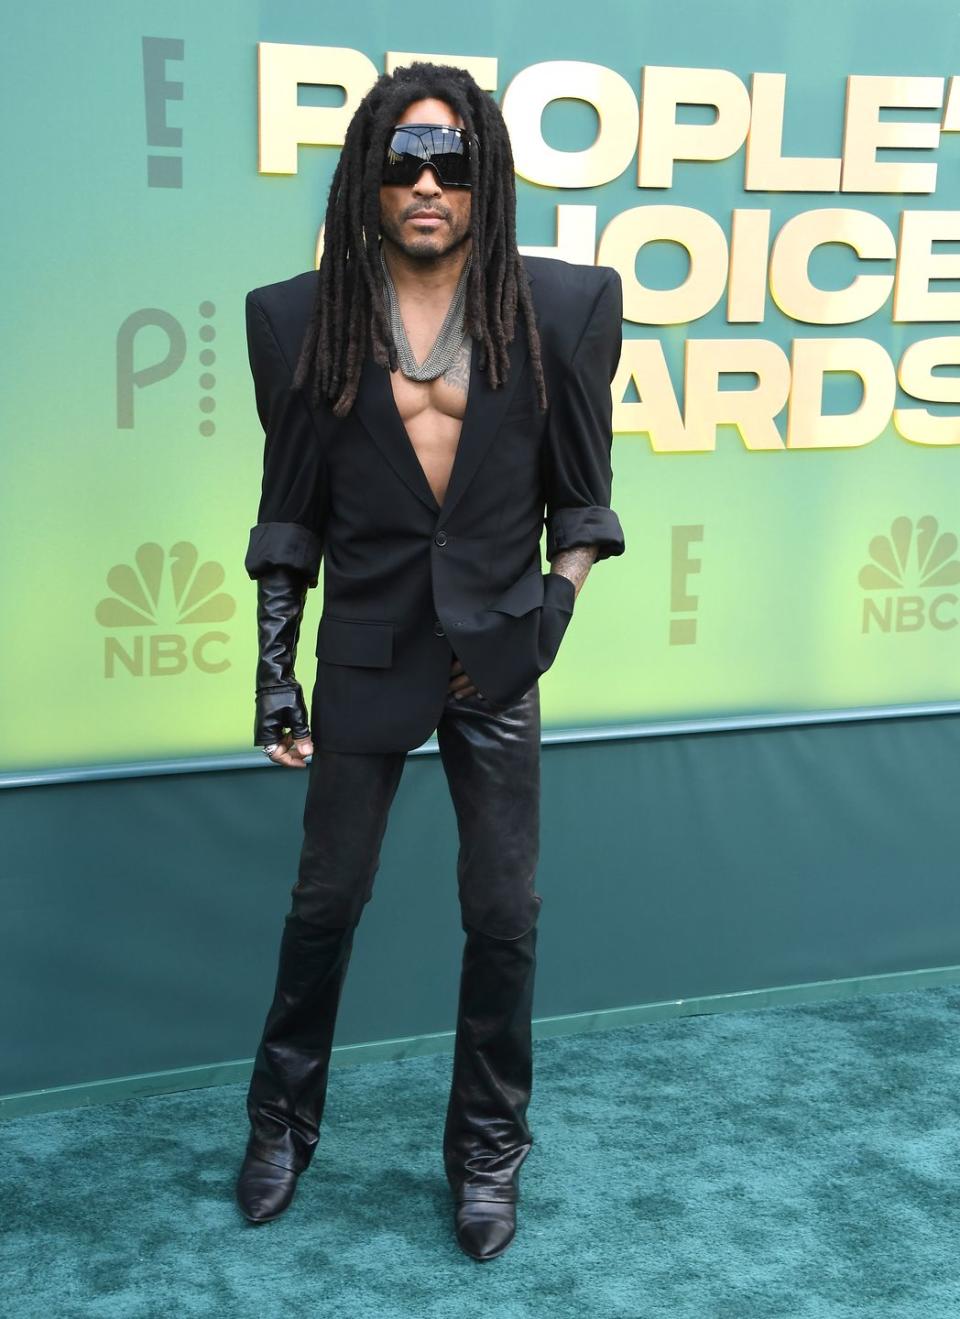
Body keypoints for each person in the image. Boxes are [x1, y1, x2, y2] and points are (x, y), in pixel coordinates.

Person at [234, 60, 626, 1262]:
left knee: (503, 914)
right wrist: (273, 667)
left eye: (449, 159)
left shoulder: (564, 307)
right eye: (401, 159)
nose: (425, 181)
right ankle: (282, 1126)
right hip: (367, 647)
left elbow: (586, 504)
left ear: (484, 175)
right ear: (367, 174)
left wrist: (549, 617)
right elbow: (289, 511)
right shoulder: (297, 319)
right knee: (324, 904)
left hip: (498, 654)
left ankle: (488, 1152)